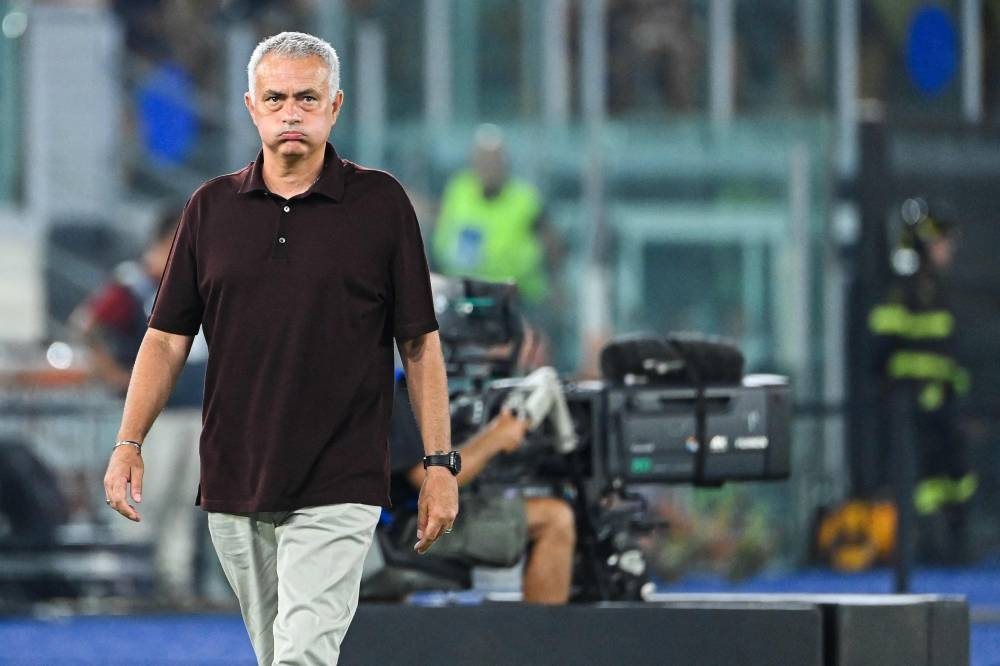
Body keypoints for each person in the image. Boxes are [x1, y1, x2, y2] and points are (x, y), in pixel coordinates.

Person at [101, 31, 457, 665]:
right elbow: (164, 339)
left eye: (307, 98)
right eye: (276, 98)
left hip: (341, 478)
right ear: (250, 107)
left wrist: (440, 463)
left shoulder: (380, 205)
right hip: (236, 478)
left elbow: (420, 345)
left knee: (300, 658)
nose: (291, 112)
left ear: (335, 106)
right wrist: (129, 443)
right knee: (279, 657)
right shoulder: (209, 209)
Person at [72, 208, 208, 600]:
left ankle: (174, 586)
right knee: (143, 498)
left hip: (195, 409)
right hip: (154, 416)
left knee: (185, 503)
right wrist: (116, 375)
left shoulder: (195, 282)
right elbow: (87, 326)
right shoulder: (134, 283)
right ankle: (125, 584)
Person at [387, 377, 576, 605]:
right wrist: (497, 435)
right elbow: (430, 479)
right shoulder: (389, 390)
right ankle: (544, 638)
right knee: (555, 518)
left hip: (398, 520)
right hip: (407, 528)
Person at [867, 198, 973, 563]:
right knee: (918, 481)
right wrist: (907, 393)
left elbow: (951, 356)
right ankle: (924, 548)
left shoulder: (941, 293)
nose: (948, 251)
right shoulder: (898, 294)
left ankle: (956, 544)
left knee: (955, 478)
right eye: (941, 243)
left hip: (945, 408)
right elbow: (881, 356)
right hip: (909, 410)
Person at [430, 124, 559, 310]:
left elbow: (551, 241)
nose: (489, 166)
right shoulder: (458, 190)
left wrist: (556, 285)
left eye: (495, 160)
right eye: (483, 159)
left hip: (517, 298)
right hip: (464, 298)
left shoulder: (524, 198)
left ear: (505, 162)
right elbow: (440, 227)